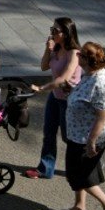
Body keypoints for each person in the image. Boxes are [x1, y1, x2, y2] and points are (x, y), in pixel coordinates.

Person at [55, 42, 105, 210]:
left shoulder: (101, 82)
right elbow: (86, 98)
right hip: (77, 134)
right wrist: (72, 90)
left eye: (81, 55)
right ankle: (79, 208)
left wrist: (92, 141)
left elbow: (102, 116)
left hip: (88, 138)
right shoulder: (90, 75)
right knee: (78, 173)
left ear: (88, 60)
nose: (77, 57)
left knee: (78, 176)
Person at [27, 17, 82, 180]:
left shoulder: (75, 53)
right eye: (52, 29)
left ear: (65, 34)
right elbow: (44, 66)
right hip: (55, 97)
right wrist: (48, 49)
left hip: (70, 100)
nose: (51, 33)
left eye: (55, 30)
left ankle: (90, 162)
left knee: (68, 136)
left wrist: (42, 88)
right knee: (49, 133)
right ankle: (45, 168)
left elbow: (64, 78)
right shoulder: (56, 49)